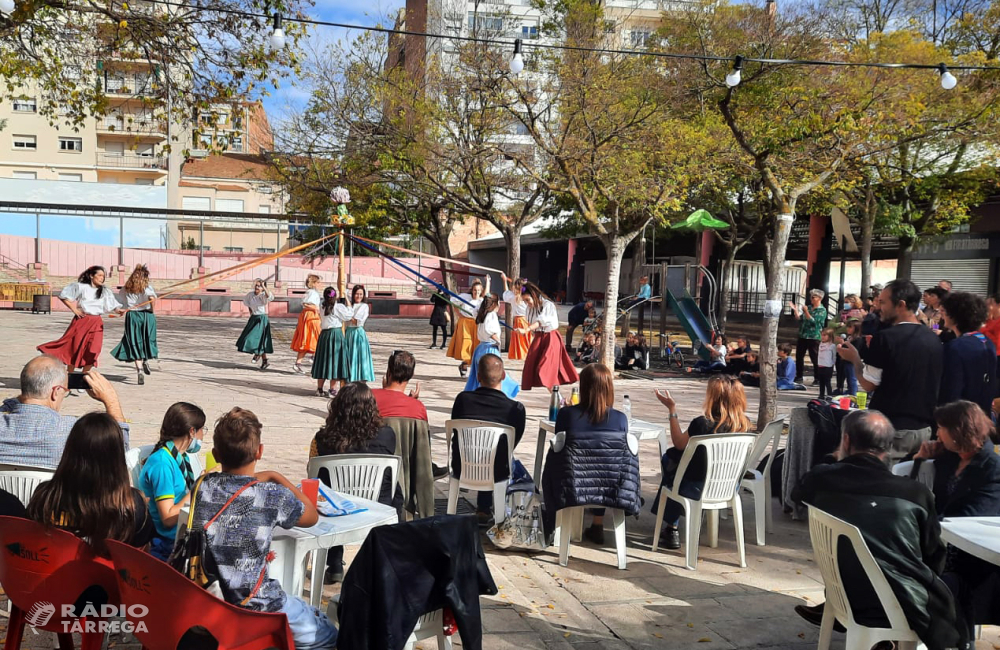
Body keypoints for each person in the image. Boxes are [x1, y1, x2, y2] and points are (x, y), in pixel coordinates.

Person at [791, 410, 967, 650]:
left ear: (846, 441)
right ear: (889, 447)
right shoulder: (915, 494)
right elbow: (933, 556)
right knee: (961, 580)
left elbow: (797, 494)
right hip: (902, 603)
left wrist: (834, 459)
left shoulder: (821, 479)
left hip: (843, 590)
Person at [192, 407, 336, 649]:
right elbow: (310, 516)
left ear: (216, 454)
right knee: (329, 635)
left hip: (206, 596)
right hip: (256, 605)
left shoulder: (203, 485)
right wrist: (276, 476)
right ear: (260, 451)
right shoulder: (271, 495)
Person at [916, 401, 1000, 641]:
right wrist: (920, 459)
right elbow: (914, 493)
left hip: (971, 557)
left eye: (941, 427)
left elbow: (972, 517)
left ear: (958, 431)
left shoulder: (991, 469)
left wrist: (926, 524)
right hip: (942, 541)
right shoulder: (950, 458)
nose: (937, 433)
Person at [838, 280, 943, 460]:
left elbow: (869, 384)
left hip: (893, 429)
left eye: (884, 302)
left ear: (901, 304)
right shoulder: (932, 338)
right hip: (924, 429)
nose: (879, 307)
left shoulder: (885, 338)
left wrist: (855, 360)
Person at [310, 382, 402, 583]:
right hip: (378, 503)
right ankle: (385, 556)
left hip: (335, 508)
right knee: (396, 488)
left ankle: (334, 562)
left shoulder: (322, 438)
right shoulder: (387, 435)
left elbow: (312, 474)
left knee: (324, 485)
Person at [27, 412, 153, 552]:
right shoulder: (132, 504)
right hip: (105, 573)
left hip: (56, 570)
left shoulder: (45, 495)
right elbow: (139, 559)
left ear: (70, 450)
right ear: (116, 458)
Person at [652, 376, 753, 550]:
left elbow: (678, 442)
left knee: (671, 462)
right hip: (728, 487)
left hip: (696, 488)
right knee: (677, 465)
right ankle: (674, 525)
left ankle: (672, 527)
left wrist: (672, 410)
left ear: (713, 398)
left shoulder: (702, 424)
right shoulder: (744, 425)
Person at [0, 357, 128, 469]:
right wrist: (111, 399)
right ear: (56, 392)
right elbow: (118, 456)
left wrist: (26, 394)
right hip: (55, 496)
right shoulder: (75, 430)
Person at [550, 363, 628, 544]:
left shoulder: (567, 415)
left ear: (583, 387)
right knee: (602, 466)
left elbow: (559, 443)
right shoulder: (620, 419)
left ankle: (554, 518)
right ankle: (598, 523)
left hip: (573, 482)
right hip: (609, 485)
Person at [451, 354, 527, 524]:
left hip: (462, 465)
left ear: (478, 377)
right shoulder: (515, 409)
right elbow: (513, 442)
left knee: (489, 451)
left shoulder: (462, 400)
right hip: (497, 471)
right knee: (500, 453)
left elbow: (456, 433)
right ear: (504, 376)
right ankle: (498, 511)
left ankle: (483, 508)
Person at [138, 402, 206, 560]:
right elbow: (168, 518)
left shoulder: (180, 457)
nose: (203, 435)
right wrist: (198, 487)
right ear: (191, 432)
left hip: (182, 532)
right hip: (167, 542)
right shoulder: (162, 463)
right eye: (202, 429)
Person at [38, 265, 124, 371]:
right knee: (74, 347)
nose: (102, 278)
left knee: (94, 349)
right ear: (92, 276)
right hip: (82, 320)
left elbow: (113, 305)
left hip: (96, 322)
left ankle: (85, 376)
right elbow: (64, 296)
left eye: (104, 276)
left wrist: (119, 310)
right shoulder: (81, 287)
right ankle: (69, 375)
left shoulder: (105, 290)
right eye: (100, 275)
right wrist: (74, 309)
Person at [939, 292, 996, 415]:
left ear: (954, 315)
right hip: (982, 413)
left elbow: (951, 389)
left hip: (960, 417)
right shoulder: (986, 341)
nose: (942, 315)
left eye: (944, 311)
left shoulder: (955, 347)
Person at [519, 282, 580, 391]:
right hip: (538, 338)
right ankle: (558, 399)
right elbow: (533, 324)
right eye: (524, 301)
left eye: (527, 300)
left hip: (550, 337)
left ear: (534, 295)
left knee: (545, 368)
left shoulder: (548, 305)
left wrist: (526, 329)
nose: (526, 303)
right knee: (532, 366)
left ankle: (559, 399)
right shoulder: (529, 308)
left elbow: (540, 322)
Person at [110, 264, 158, 386]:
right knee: (147, 339)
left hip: (132, 316)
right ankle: (145, 360)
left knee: (135, 341)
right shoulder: (147, 288)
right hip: (147, 316)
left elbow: (118, 303)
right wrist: (152, 309)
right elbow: (152, 299)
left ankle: (140, 370)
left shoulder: (126, 288)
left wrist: (118, 310)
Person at [465, 294, 520, 397]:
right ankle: (505, 393)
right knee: (494, 376)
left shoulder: (481, 313)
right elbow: (489, 330)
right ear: (495, 304)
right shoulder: (491, 315)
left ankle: (476, 396)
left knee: (480, 376)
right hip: (489, 348)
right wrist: (498, 341)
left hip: (480, 349)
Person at [312, 287, 352, 398]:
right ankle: (332, 389)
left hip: (324, 335)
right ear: (334, 297)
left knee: (324, 362)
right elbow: (348, 315)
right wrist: (347, 300)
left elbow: (330, 304)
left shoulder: (322, 306)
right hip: (335, 335)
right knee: (335, 361)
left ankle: (319, 389)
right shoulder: (338, 307)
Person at [447, 278, 488, 378]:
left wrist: (488, 282)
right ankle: (465, 364)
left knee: (476, 345)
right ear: (472, 290)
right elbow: (453, 302)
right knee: (466, 343)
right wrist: (458, 314)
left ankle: (468, 367)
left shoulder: (481, 301)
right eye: (475, 290)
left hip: (476, 324)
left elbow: (487, 295)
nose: (476, 292)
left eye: (478, 290)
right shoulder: (465, 297)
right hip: (465, 323)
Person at [371, 350, 427, 421]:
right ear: (411, 375)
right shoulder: (418, 408)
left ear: (388, 372)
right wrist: (412, 402)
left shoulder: (368, 398)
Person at [789, 289, 827, 384]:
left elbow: (815, 322)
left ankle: (817, 378)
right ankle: (799, 376)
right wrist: (795, 311)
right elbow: (800, 319)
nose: (811, 299)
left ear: (819, 298)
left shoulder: (822, 310)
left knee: (814, 357)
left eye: (814, 297)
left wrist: (806, 312)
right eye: (811, 297)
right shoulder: (809, 307)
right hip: (803, 335)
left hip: (813, 336)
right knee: (799, 356)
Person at [236, 278, 274, 370]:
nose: (257, 287)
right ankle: (265, 361)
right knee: (255, 339)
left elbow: (269, 296)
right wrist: (251, 313)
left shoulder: (263, 295)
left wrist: (264, 287)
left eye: (259, 286)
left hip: (262, 318)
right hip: (254, 318)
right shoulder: (250, 295)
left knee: (253, 337)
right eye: (256, 285)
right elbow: (248, 304)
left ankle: (257, 354)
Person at [292, 274, 323, 374]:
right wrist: (317, 309)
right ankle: (313, 355)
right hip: (311, 317)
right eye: (318, 282)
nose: (320, 284)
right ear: (313, 283)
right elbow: (306, 304)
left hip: (309, 316)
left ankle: (301, 362)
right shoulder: (312, 293)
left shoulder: (312, 293)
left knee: (309, 338)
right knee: (315, 335)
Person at [344, 284, 375, 383]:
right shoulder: (350, 305)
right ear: (353, 295)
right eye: (357, 294)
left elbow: (357, 321)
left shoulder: (364, 306)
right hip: (348, 333)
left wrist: (347, 314)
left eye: (361, 294)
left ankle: (361, 381)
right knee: (349, 357)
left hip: (357, 333)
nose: (359, 296)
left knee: (360, 357)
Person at [502, 275, 532, 360]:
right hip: (527, 319)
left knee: (521, 339)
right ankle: (527, 353)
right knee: (526, 338)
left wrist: (504, 281)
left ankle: (522, 354)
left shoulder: (513, 297)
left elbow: (506, 293)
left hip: (520, 320)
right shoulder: (527, 297)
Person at [834, 320, 861, 396]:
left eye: (850, 327)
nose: (848, 329)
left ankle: (853, 394)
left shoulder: (857, 339)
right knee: (845, 377)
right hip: (845, 360)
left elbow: (854, 351)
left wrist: (842, 345)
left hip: (851, 362)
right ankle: (844, 390)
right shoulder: (849, 337)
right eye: (847, 327)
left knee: (851, 378)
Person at [980, 293, 1000, 380]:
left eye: (991, 304)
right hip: (989, 353)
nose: (988, 306)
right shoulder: (990, 320)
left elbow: (997, 343)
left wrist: (984, 330)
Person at [816, 328, 836, 400]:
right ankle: (821, 394)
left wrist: (833, 365)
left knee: (827, 381)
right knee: (821, 382)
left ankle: (829, 395)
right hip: (820, 365)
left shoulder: (832, 346)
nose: (823, 337)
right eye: (822, 335)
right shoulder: (820, 344)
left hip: (828, 366)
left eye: (825, 335)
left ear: (830, 336)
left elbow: (834, 356)